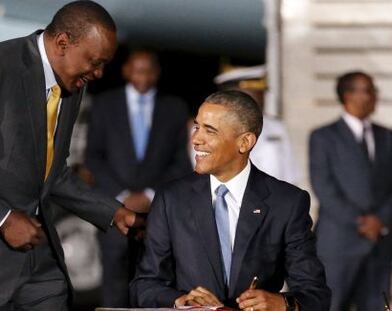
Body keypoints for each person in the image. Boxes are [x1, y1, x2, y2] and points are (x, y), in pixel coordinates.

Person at [131, 90, 331, 311]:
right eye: (197, 127)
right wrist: (180, 301)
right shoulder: (171, 199)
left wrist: (281, 303)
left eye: (210, 131)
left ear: (245, 142)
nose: (196, 139)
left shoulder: (287, 203)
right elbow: (145, 285)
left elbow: (316, 294)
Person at [0, 1, 140, 310]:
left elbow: (53, 172)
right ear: (62, 43)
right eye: (94, 61)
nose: (100, 73)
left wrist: (114, 212)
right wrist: (5, 218)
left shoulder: (74, 83)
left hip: (39, 261)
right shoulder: (4, 66)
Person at [85, 49, 192, 307]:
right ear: (125, 71)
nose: (142, 76)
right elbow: (93, 158)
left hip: (157, 211)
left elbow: (182, 162)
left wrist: (149, 195)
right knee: (114, 275)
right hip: (114, 209)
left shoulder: (175, 108)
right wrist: (123, 197)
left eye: (148, 70)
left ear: (157, 73)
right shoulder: (104, 105)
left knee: (155, 278)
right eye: (137, 69)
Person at [309, 71, 392, 311]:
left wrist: (380, 221)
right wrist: (360, 222)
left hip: (380, 243)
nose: (375, 96)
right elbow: (324, 186)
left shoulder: (389, 137)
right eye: (369, 90)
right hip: (339, 244)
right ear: (348, 95)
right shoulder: (324, 137)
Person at [213, 65, 300, 184]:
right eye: (255, 93)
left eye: (262, 93)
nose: (262, 98)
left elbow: (290, 175)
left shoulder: (276, 128)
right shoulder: (210, 129)